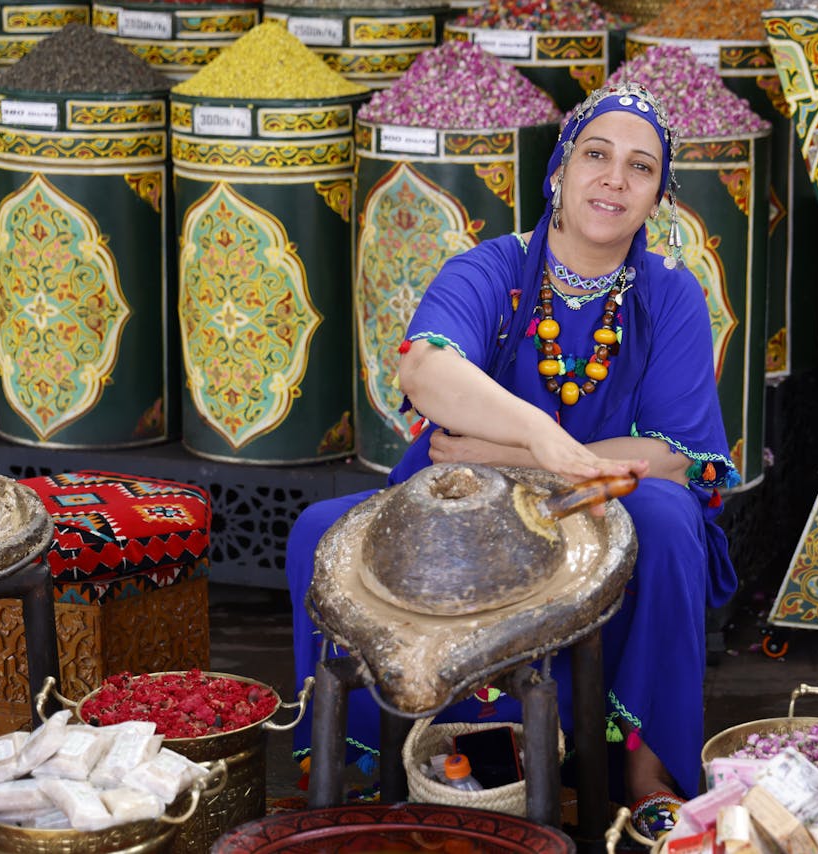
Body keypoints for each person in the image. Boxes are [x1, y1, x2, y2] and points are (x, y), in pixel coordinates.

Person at [285, 81, 738, 838]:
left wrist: (520, 452)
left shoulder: (669, 295)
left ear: (657, 195)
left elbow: (671, 457)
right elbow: (426, 371)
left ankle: (643, 764)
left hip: (601, 508)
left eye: (640, 167)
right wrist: (538, 436)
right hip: (470, 506)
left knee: (668, 515)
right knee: (321, 533)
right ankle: (375, 758)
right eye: (597, 155)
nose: (614, 179)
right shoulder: (491, 269)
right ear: (559, 170)